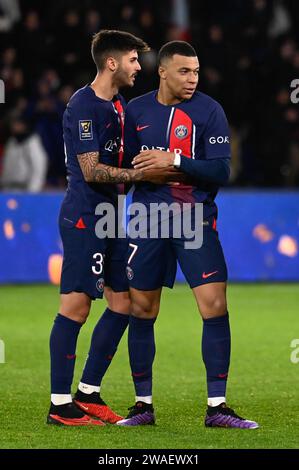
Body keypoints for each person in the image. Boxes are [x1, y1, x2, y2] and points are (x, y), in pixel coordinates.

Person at [117, 41, 259, 429]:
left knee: (214, 305)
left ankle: (218, 408)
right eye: (184, 71)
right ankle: (142, 406)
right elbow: (125, 170)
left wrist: (174, 160)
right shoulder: (136, 111)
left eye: (196, 71)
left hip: (194, 221)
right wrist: (143, 173)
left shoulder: (209, 111)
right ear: (162, 71)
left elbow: (220, 171)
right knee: (142, 310)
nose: (193, 78)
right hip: (148, 221)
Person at [47, 30, 183, 426]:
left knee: (124, 303)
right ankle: (59, 405)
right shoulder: (85, 104)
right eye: (134, 60)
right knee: (76, 305)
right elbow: (91, 169)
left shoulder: (119, 105)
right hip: (84, 216)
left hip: (111, 215)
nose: (140, 67)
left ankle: (88, 392)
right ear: (112, 63)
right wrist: (144, 176)